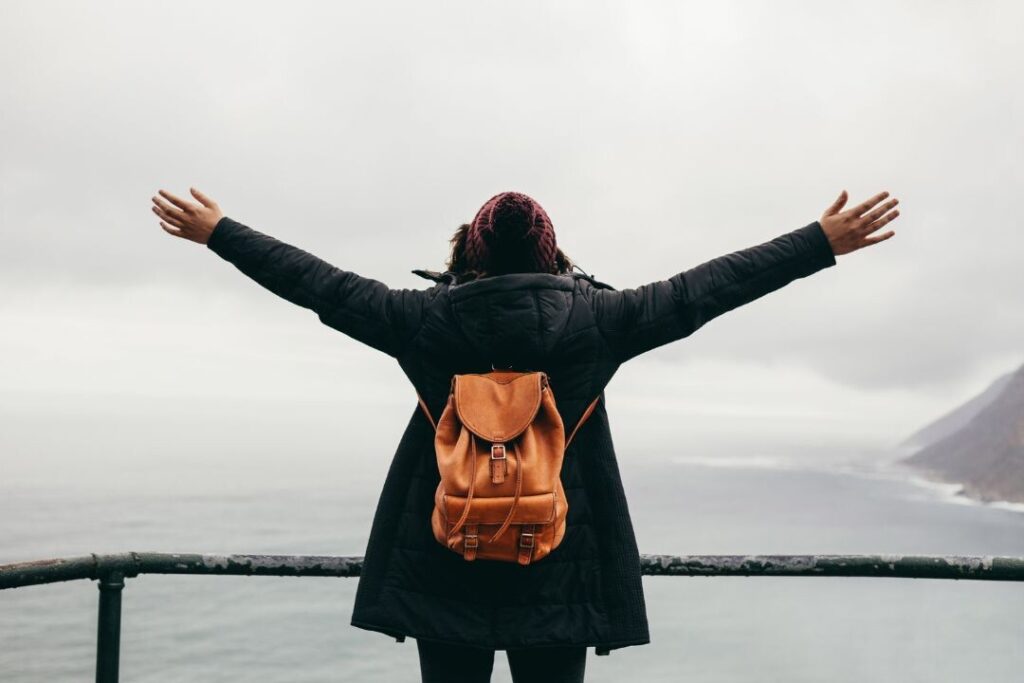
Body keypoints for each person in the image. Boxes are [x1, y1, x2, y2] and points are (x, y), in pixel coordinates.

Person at [150, 187, 899, 683]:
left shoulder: (420, 320)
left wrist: (219, 232)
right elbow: (714, 286)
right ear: (554, 254)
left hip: (446, 557)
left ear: (467, 252)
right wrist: (819, 241)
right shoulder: (603, 319)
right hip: (559, 563)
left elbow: (316, 283)